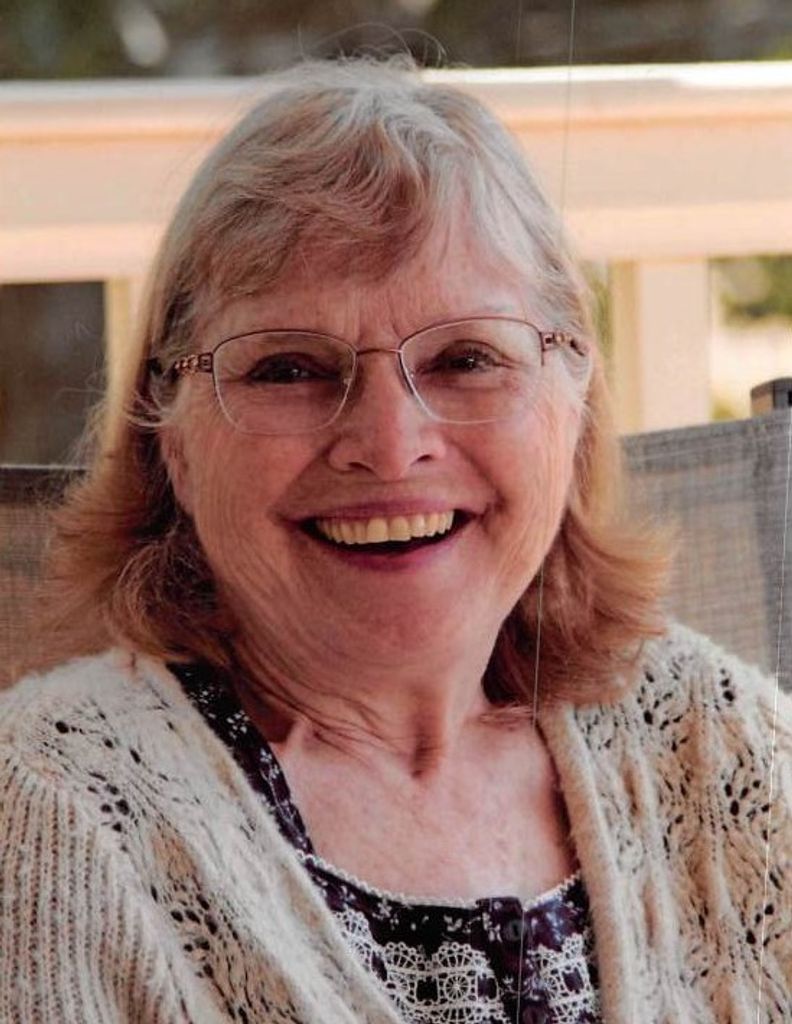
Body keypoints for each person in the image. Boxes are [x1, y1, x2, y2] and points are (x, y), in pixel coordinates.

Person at [0, 55, 789, 1024]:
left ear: (573, 397)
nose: (387, 442)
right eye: (289, 368)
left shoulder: (717, 741)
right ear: (173, 436)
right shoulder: (51, 818)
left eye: (466, 358)